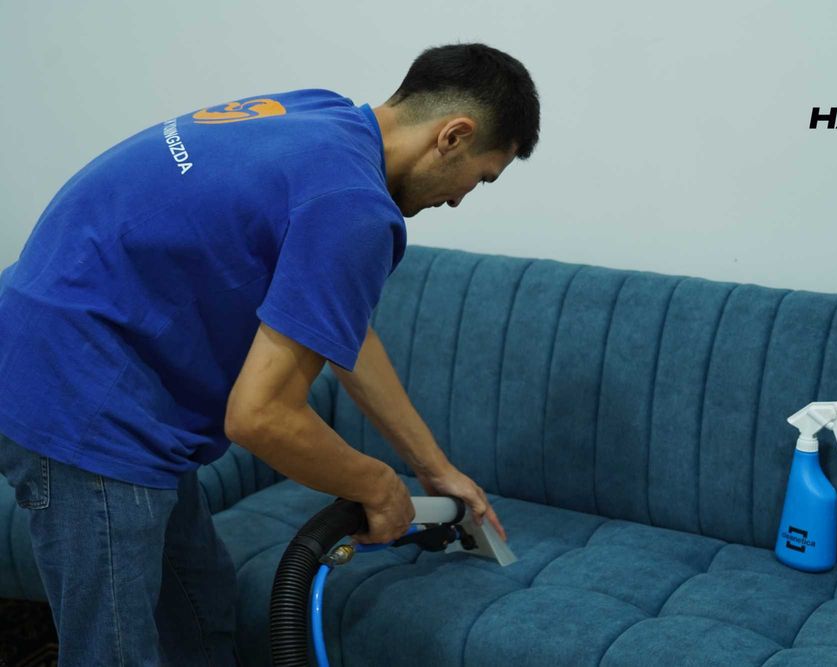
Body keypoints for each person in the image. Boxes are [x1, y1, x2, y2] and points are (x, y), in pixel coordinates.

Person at [0, 42, 540, 665]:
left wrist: (432, 466)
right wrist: (377, 484)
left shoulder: (320, 114)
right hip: (78, 400)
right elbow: (260, 417)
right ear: (453, 136)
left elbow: (336, 326)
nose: (461, 199)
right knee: (115, 652)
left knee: (199, 608)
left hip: (71, 343)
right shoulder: (354, 208)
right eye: (481, 177)